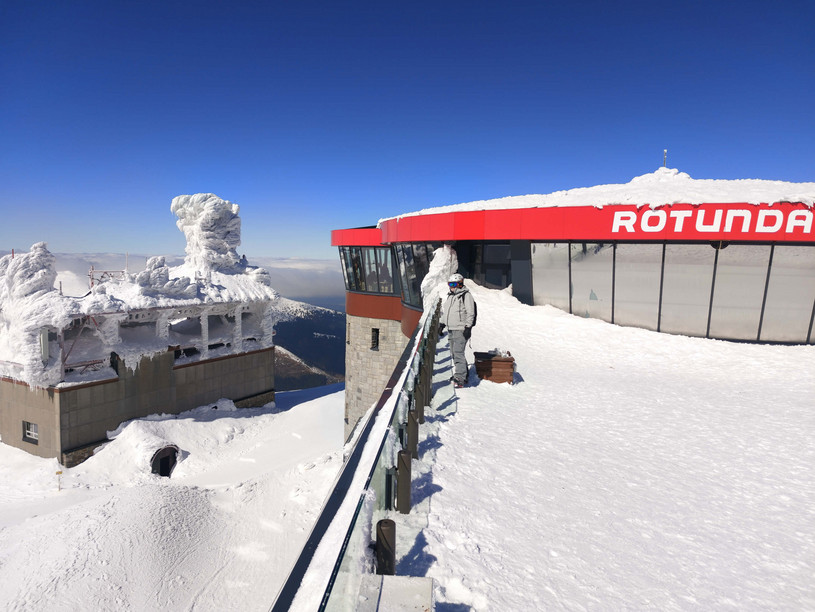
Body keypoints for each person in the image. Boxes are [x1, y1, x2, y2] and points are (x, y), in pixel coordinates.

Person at [441, 273, 476, 388]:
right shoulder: (451, 296)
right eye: (449, 284)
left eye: (453, 284)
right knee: (454, 352)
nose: (451, 287)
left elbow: (470, 312)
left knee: (458, 353)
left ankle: (460, 377)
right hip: (451, 329)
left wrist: (468, 327)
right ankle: (464, 372)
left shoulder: (466, 295)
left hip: (461, 329)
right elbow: (446, 312)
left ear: (460, 284)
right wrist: (442, 324)